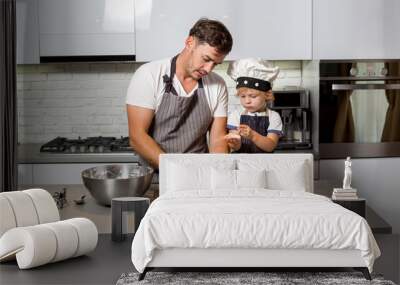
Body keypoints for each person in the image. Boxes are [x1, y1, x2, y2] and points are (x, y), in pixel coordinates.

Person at [126, 18, 233, 168]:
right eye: (206, 59)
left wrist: (220, 170)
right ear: (190, 43)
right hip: (156, 177)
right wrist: (176, 171)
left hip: (199, 174)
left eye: (215, 64)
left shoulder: (217, 84)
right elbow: (137, 137)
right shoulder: (148, 74)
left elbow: (217, 140)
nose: (208, 69)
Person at [225, 58, 283, 153]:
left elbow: (270, 146)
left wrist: (253, 136)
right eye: (243, 96)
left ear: (266, 95)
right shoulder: (235, 115)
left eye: (253, 96)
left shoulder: (273, 117)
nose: (247, 101)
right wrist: (235, 143)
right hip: (241, 163)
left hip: (265, 164)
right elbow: (236, 147)